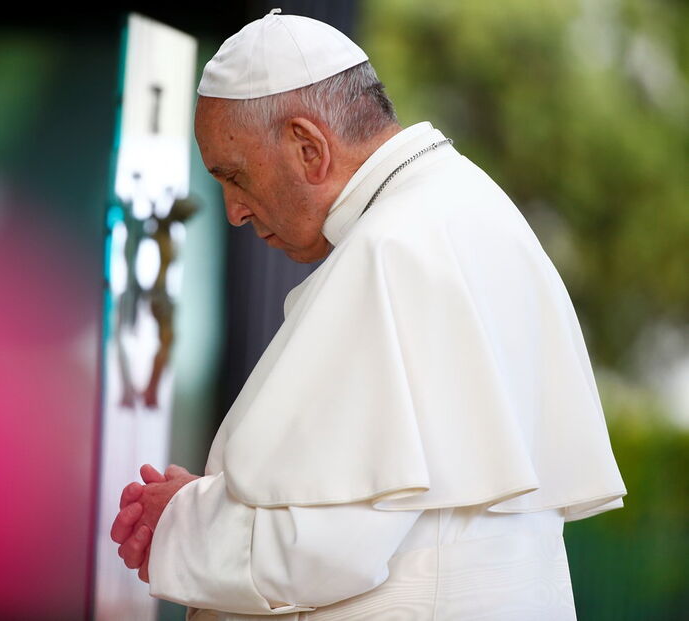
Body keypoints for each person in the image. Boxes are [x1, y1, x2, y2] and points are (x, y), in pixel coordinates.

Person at [111, 9, 626, 620]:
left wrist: (180, 522)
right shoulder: (466, 208)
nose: (233, 212)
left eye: (235, 177)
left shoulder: (390, 249)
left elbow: (323, 550)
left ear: (309, 147)